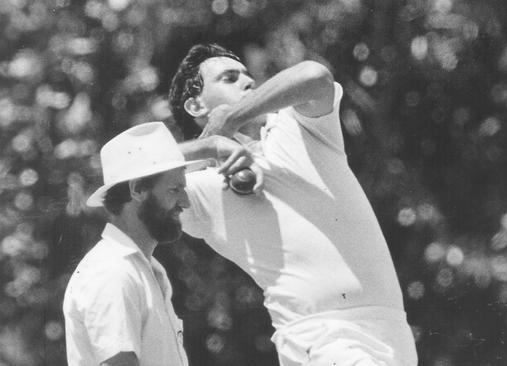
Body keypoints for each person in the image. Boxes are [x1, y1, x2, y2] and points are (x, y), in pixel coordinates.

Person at [169, 43, 418, 366]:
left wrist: (230, 118)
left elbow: (315, 76)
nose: (248, 82)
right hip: (324, 338)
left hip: (391, 333)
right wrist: (211, 145)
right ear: (195, 105)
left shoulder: (295, 128)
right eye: (230, 78)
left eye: (248, 76)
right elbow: (125, 179)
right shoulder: (202, 189)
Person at [62, 122, 201, 366]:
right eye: (174, 189)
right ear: (137, 189)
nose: (185, 202)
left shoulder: (145, 269)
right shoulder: (112, 272)